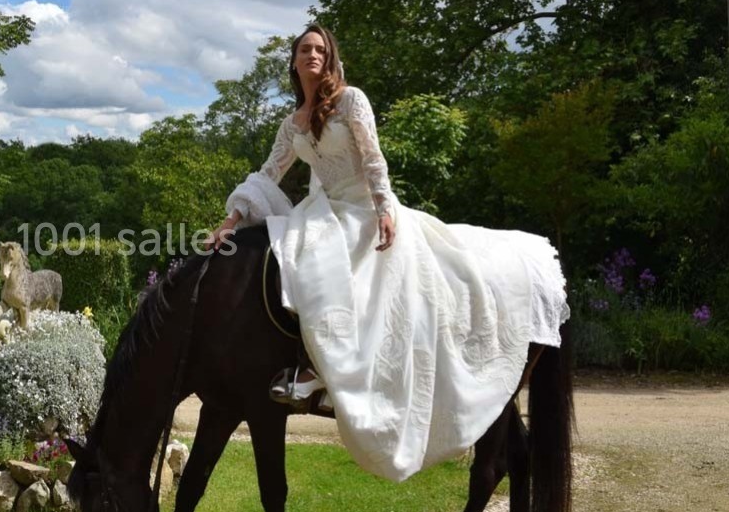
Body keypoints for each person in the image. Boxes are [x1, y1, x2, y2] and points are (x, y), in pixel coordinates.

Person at [208, 25, 569, 482]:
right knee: (289, 257)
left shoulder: (351, 100)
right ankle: (308, 365)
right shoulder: (291, 122)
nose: (313, 54)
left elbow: (373, 157)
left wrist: (383, 209)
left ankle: (325, 371)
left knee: (338, 270)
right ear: (294, 62)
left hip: (362, 206)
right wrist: (230, 222)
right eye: (305, 49)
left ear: (330, 58)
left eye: (321, 49)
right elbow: (268, 174)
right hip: (323, 209)